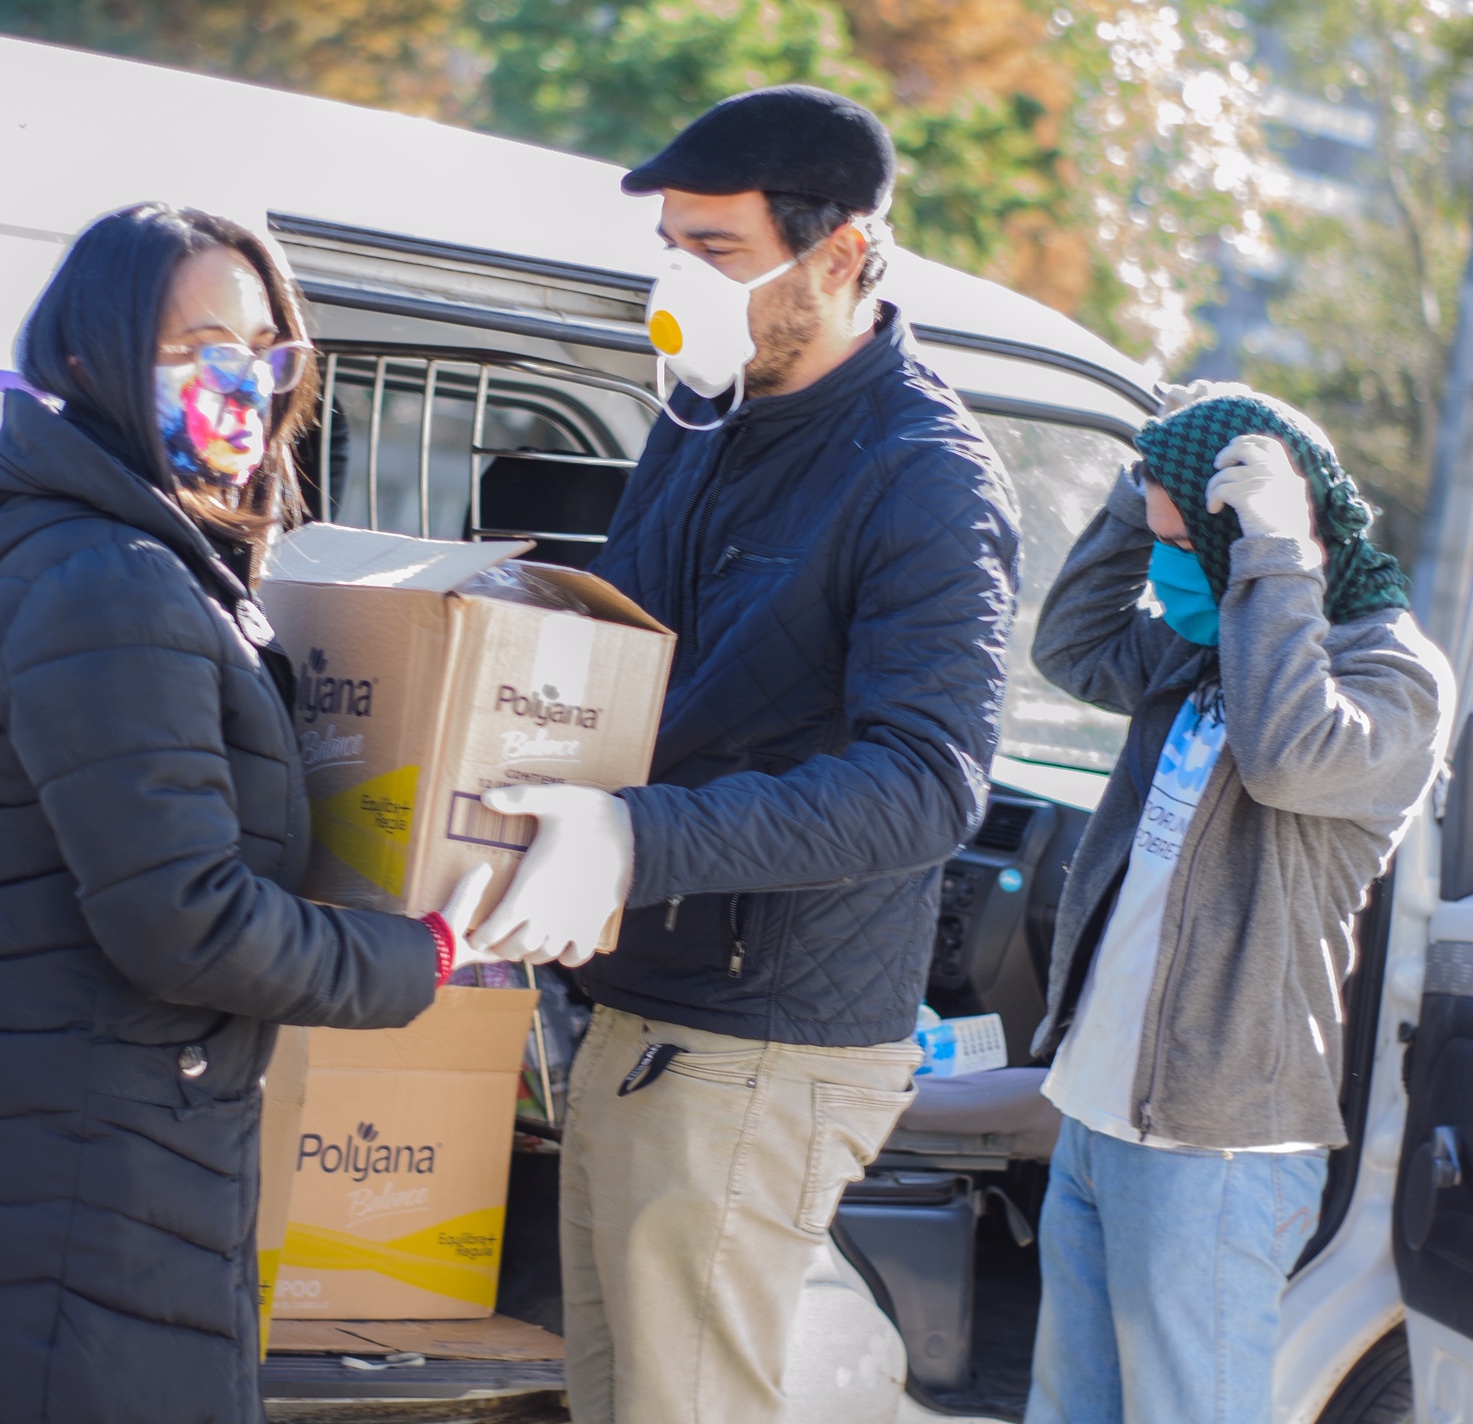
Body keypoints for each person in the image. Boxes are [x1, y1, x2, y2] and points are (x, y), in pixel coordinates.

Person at [0, 204, 499, 1424]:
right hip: (48, 1175)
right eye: (197, 344)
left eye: (265, 344)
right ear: (88, 363)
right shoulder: (108, 580)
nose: (244, 376)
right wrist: (426, 950)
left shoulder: (128, 561)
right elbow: (187, 919)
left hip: (50, 1158)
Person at [464, 86, 1022, 1423]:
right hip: (643, 1007)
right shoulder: (704, 417)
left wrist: (634, 836)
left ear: (838, 256)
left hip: (762, 1042)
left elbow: (927, 783)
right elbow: (639, 659)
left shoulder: (925, 476)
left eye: (711, 250)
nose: (675, 279)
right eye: (670, 243)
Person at [1022, 386, 1455, 1424]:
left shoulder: (1390, 672)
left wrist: (1277, 560)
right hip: (1098, 1109)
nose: (1166, 571)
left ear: (1252, 536)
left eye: (1182, 546)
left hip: (1215, 1147)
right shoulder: (1213, 640)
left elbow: (1288, 760)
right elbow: (1071, 644)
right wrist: (1142, 493)